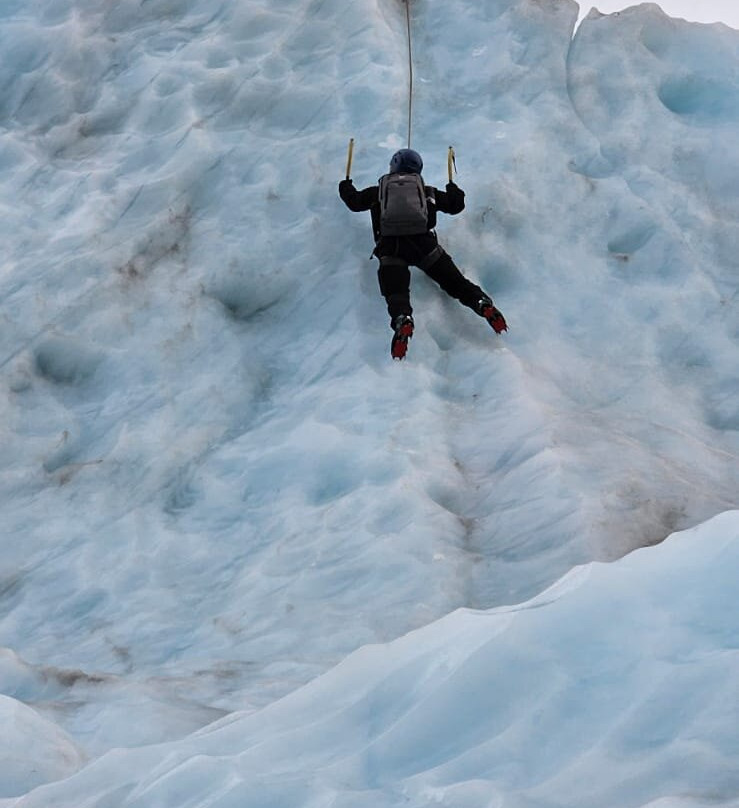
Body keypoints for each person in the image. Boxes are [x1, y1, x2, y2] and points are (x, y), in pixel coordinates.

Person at [338, 148, 507, 359]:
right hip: (424, 247)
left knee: (396, 294)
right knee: (457, 284)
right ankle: (482, 304)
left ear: (393, 167)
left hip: (391, 250)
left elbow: (353, 202)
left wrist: (345, 185)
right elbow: (456, 206)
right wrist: (453, 188)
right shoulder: (427, 192)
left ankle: (403, 319)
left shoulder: (378, 192)